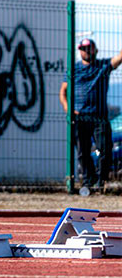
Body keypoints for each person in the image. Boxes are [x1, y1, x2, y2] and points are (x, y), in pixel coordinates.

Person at [59, 38, 122, 192]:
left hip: (99, 117)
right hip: (80, 118)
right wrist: (69, 110)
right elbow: (63, 92)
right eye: (83, 48)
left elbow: (119, 58)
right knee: (82, 152)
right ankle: (88, 181)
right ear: (79, 50)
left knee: (104, 149)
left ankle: (101, 182)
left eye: (89, 48)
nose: (86, 51)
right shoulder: (73, 70)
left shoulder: (103, 66)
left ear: (95, 50)